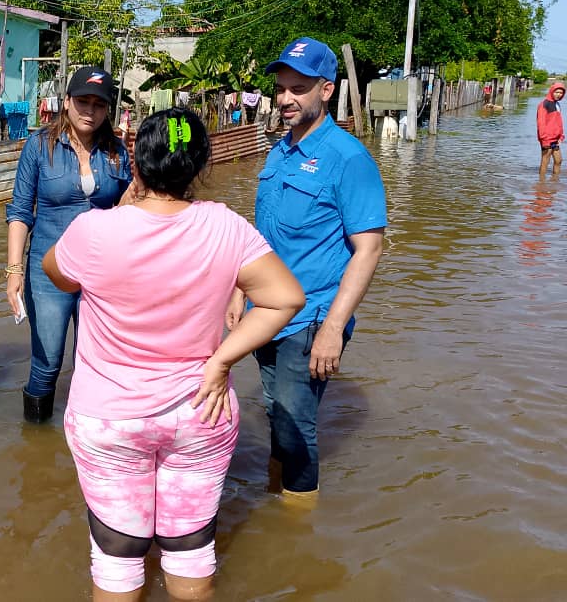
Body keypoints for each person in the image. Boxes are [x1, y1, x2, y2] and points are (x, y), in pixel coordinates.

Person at [42, 108, 304, 602]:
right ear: (201, 166)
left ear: (135, 165)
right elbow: (285, 298)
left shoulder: (95, 230)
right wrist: (222, 358)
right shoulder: (226, 226)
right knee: (189, 548)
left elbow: (58, 273)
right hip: (200, 410)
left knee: (118, 555)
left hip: (110, 418)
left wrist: (120, 210)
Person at [231, 37, 386, 500]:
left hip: (313, 314)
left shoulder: (348, 158)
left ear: (327, 89)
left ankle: (298, 536)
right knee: (278, 414)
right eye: (280, 89)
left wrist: (333, 328)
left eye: (298, 89)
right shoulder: (279, 152)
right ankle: (277, 509)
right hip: (266, 310)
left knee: (297, 430)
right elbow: (263, 234)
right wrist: (239, 290)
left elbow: (369, 249)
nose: (284, 100)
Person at [5, 67, 132, 424]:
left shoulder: (116, 150)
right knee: (47, 362)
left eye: (98, 104)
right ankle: (35, 443)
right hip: (48, 273)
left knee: (93, 362)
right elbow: (19, 211)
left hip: (101, 276)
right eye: (82, 101)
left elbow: (130, 210)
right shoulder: (40, 145)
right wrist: (14, 271)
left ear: (108, 109)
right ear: (66, 102)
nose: (89, 111)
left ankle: (84, 441)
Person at [537, 81, 565, 177]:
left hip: (555, 139)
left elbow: (559, 122)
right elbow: (541, 122)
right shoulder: (544, 104)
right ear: (552, 91)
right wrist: (544, 138)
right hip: (546, 138)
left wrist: (561, 136)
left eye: (561, 93)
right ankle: (541, 183)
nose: (559, 94)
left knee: (559, 160)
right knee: (545, 161)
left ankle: (555, 182)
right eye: (556, 92)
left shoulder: (557, 105)